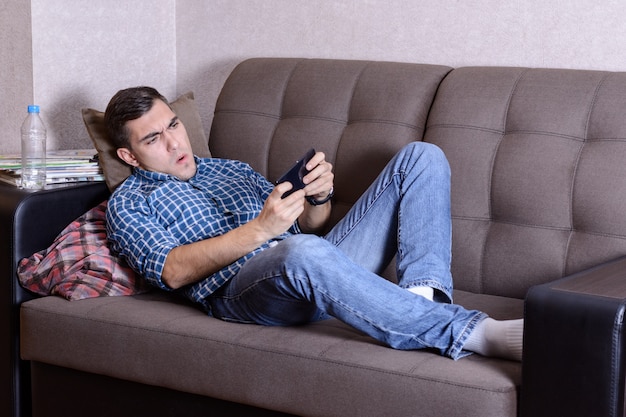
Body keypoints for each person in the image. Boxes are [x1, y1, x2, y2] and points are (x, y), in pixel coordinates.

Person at [104, 86, 523, 361]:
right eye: (153, 138)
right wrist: (262, 231)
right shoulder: (128, 204)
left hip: (309, 263)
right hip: (243, 293)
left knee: (421, 157)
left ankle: (421, 303)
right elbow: (173, 272)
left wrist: (318, 197)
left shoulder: (228, 168)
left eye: (173, 125)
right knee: (297, 252)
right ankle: (473, 334)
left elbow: (311, 231)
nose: (175, 142)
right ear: (129, 156)